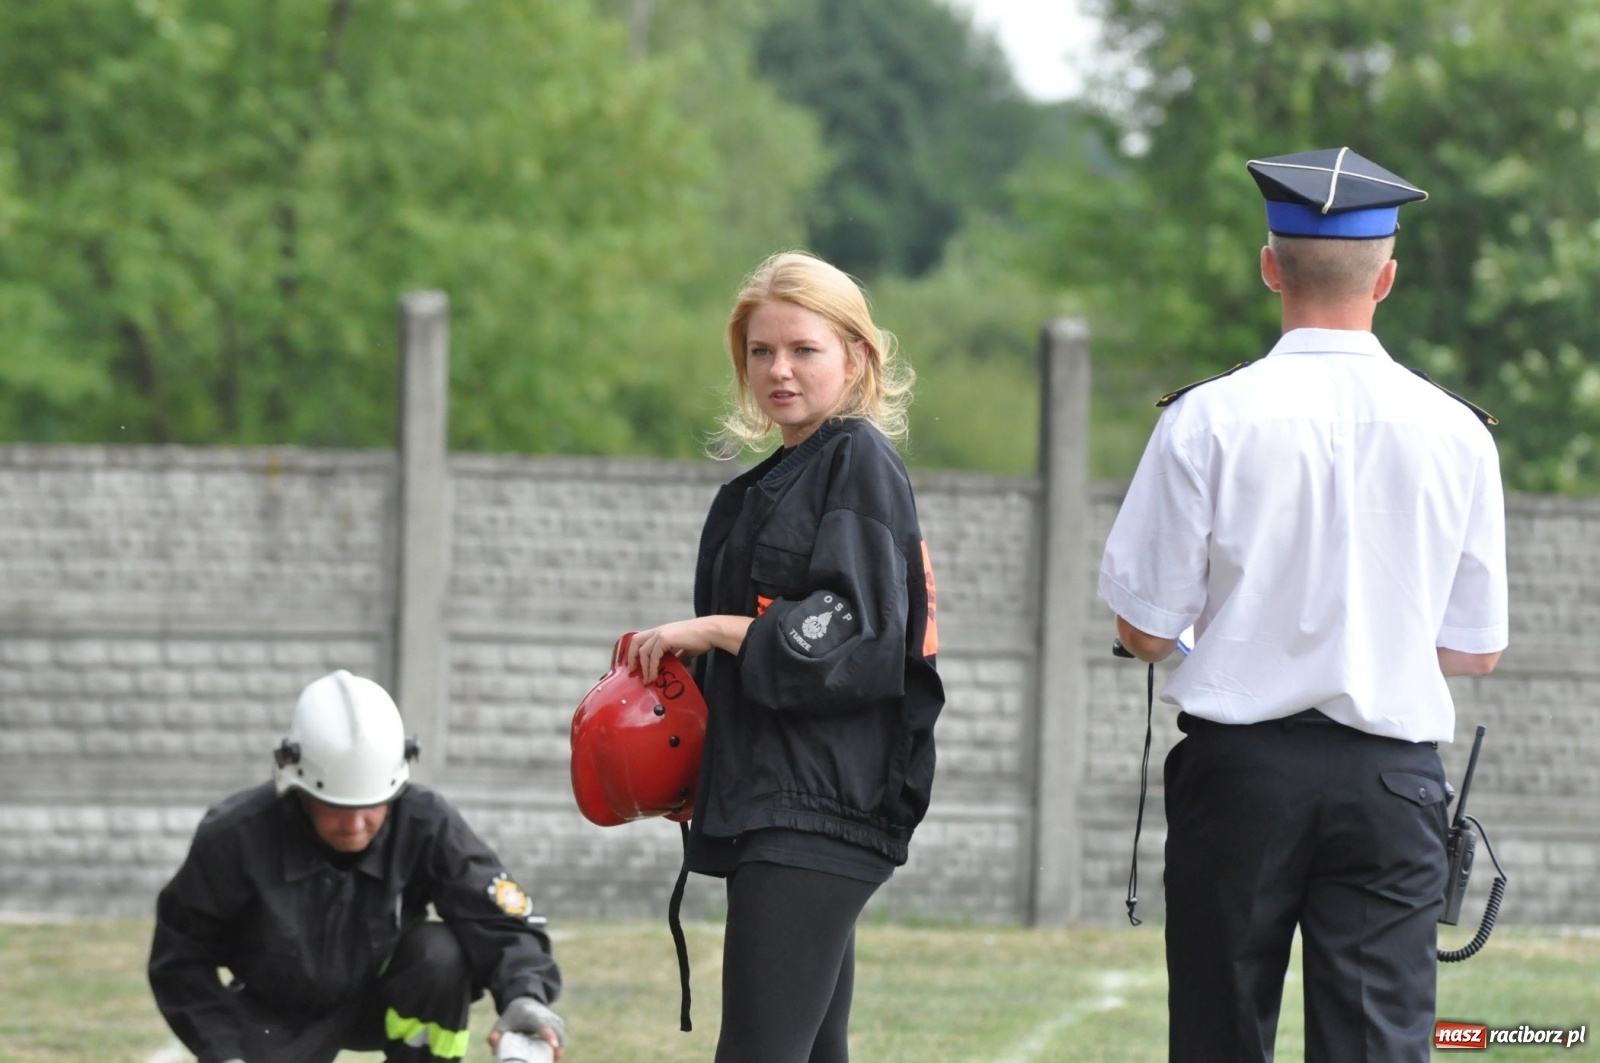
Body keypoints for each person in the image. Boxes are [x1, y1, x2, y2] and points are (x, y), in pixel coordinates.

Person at [1099, 147, 1508, 1063]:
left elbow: (1146, 630)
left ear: (1270, 266)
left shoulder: (1204, 418)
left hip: (1240, 774)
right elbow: (1475, 649)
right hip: (1391, 781)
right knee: (1377, 1045)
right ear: (1386, 278)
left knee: (1219, 1034)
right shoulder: (1458, 433)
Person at [625, 250, 944, 1063]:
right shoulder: (770, 483)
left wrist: (713, 629)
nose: (779, 370)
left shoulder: (857, 459)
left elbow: (856, 638)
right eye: (761, 351)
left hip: (822, 803)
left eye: (805, 349)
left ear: (856, 357)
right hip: (782, 799)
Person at [148, 670, 566, 1063]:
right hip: (274, 1015)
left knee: (439, 954)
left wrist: (524, 994)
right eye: (335, 807)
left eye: (371, 806)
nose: (355, 824)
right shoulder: (236, 836)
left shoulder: (425, 822)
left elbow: (498, 917)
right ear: (298, 788)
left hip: (382, 1000)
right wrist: (223, 1051)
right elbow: (181, 956)